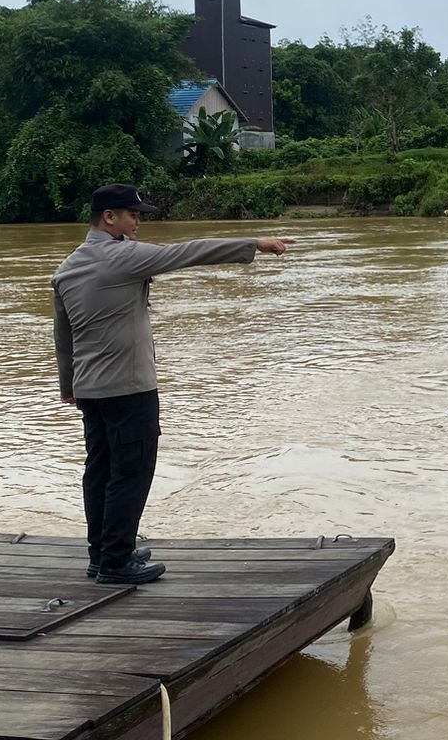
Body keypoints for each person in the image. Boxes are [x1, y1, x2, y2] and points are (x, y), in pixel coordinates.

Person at [53, 183, 292, 585]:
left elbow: (63, 337)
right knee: (132, 470)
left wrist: (68, 385)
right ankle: (116, 562)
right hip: (129, 388)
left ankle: (104, 552)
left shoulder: (68, 266)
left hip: (90, 388)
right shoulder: (124, 256)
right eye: (133, 215)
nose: (138, 223)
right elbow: (191, 251)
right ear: (109, 217)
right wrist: (255, 243)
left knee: (100, 470)